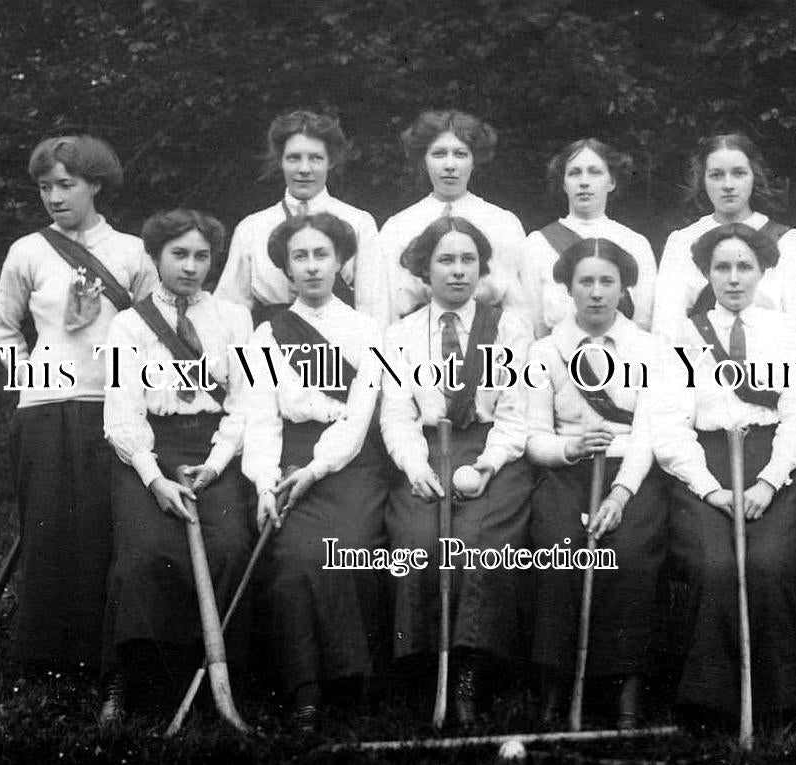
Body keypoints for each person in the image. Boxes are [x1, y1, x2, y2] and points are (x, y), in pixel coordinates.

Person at [0, 135, 157, 674]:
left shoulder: (131, 251)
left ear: (96, 185)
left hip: (111, 407)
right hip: (44, 409)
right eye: (45, 187)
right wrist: (31, 377)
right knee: (47, 530)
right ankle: (44, 657)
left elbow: (155, 330)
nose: (55, 197)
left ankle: (104, 655)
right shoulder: (28, 251)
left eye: (66, 184)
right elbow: (3, 330)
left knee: (105, 529)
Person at [651, 223, 796, 724]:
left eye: (744, 267)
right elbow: (669, 423)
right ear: (707, 273)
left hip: (772, 465)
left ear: (762, 271)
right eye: (722, 267)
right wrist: (710, 490)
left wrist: (769, 481)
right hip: (703, 469)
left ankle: (785, 702)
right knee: (717, 567)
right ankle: (708, 703)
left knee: (767, 565)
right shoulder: (685, 335)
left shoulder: (786, 332)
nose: (733, 278)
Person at [379, 215, 533, 726]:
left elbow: (515, 415)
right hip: (425, 455)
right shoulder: (401, 335)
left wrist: (489, 462)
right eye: (446, 259)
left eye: (469, 259)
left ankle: (469, 675)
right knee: (418, 543)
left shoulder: (508, 329)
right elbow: (396, 416)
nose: (458, 270)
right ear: (425, 269)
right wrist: (415, 466)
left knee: (479, 545)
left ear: (482, 268)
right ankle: (425, 675)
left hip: (491, 454)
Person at [100, 209, 253, 720]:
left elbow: (245, 402)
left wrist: (217, 463)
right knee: (145, 556)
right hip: (148, 452)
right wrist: (154, 479)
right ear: (156, 256)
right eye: (179, 254)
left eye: (201, 256)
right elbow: (122, 413)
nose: (191, 266)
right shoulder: (129, 325)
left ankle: (210, 674)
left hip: (214, 452)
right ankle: (129, 678)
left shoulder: (233, 318)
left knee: (229, 549)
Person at [241, 212, 389, 731]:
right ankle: (305, 688)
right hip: (287, 459)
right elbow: (261, 417)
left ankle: (355, 681)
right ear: (286, 267)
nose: (311, 266)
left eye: (321, 255)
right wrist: (265, 483)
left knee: (347, 548)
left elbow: (358, 419)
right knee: (293, 558)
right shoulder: (266, 335)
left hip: (349, 463)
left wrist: (316, 469)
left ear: (341, 262)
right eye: (299, 257)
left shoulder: (367, 331)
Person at [525, 238, 668, 729]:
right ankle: (556, 683)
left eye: (608, 281)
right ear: (568, 288)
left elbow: (648, 433)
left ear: (624, 288)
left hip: (631, 476)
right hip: (567, 472)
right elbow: (534, 437)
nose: (597, 292)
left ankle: (626, 687)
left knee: (629, 556)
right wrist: (569, 448)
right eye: (585, 281)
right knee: (559, 550)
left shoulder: (648, 349)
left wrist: (620, 493)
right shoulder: (546, 351)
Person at [358, 110, 527, 329]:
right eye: (439, 154)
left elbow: (519, 305)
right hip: (417, 336)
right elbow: (385, 305)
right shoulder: (398, 226)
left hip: (488, 336)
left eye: (460, 154)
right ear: (424, 160)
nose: (450, 165)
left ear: (474, 160)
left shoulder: (503, 223)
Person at [215, 110, 378, 324]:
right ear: (280, 161)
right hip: (272, 336)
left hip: (340, 336)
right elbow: (230, 310)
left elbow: (372, 306)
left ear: (330, 162)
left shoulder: (359, 223)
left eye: (316, 158)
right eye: (293, 158)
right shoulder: (252, 228)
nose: (304, 169)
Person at [652, 133, 796, 341]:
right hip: (702, 354)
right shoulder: (682, 242)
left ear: (754, 176)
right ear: (703, 180)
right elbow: (666, 326)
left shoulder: (786, 241)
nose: (728, 185)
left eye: (739, 173)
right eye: (716, 175)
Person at [520, 138, 658, 336]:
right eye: (574, 173)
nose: (584, 182)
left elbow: (643, 322)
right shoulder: (537, 245)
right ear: (564, 184)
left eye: (595, 172)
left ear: (611, 182)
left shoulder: (635, 244)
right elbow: (534, 325)